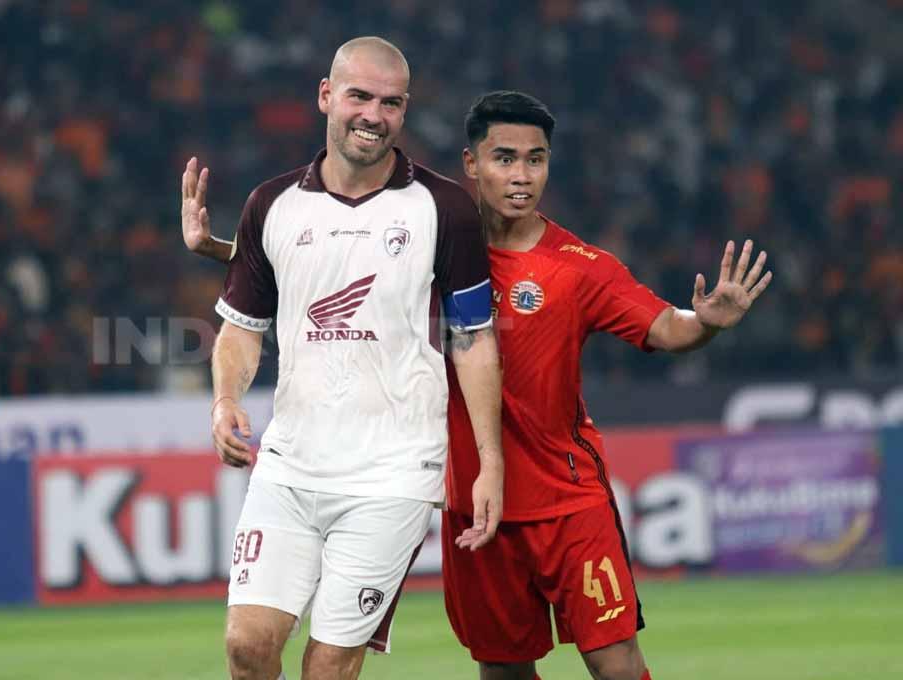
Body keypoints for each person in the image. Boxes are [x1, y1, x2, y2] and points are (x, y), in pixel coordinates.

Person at [182, 37, 505, 680]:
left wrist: (489, 460)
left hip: (392, 471)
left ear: (404, 111)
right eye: (359, 95)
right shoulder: (271, 205)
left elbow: (472, 340)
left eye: (390, 103)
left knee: (328, 667)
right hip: (291, 464)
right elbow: (243, 328)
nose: (373, 115)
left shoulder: (444, 209)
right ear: (326, 96)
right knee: (247, 648)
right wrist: (224, 401)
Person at [442, 91, 771, 680]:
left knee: (616, 664)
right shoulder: (436, 254)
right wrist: (232, 255)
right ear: (472, 163)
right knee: (503, 670)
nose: (522, 176)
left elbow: (665, 326)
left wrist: (707, 322)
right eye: (505, 158)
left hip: (568, 502)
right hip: (477, 505)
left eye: (536, 160)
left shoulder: (579, 265)